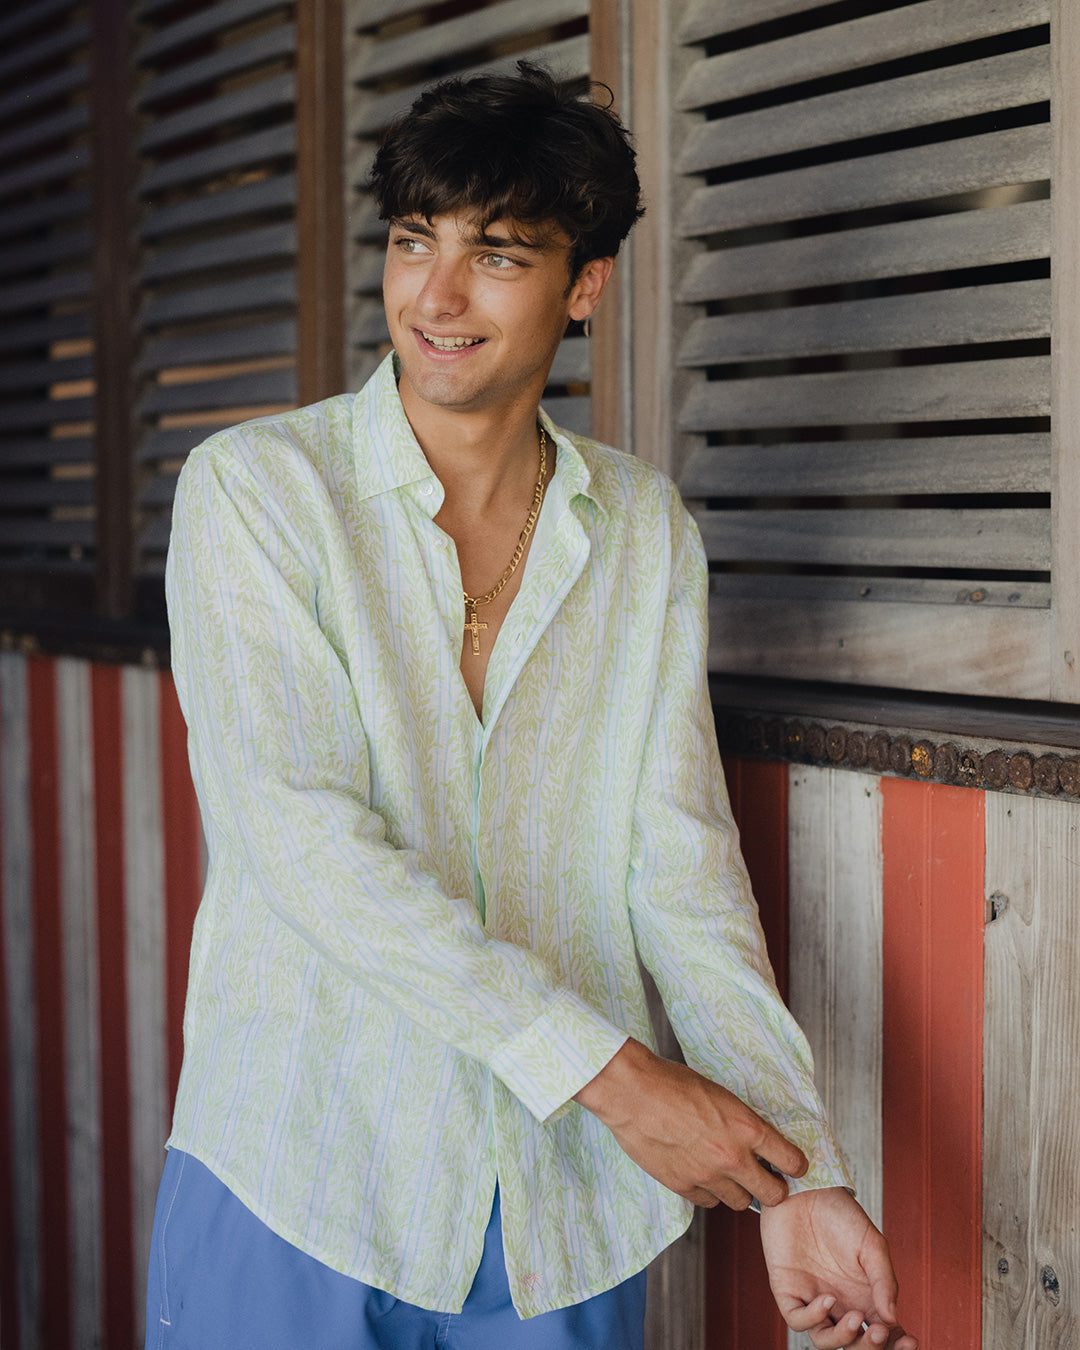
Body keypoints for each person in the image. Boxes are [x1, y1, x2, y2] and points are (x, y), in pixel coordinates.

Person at [147, 62, 916, 1350]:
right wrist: (621, 1084)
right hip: (303, 1170)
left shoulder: (642, 533)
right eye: (412, 242)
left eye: (497, 253)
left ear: (585, 284)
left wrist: (803, 1177)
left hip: (559, 1218)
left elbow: (681, 875)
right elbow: (301, 842)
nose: (435, 297)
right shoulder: (260, 493)